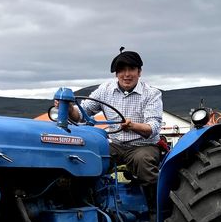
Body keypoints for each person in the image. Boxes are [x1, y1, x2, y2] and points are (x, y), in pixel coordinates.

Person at [68, 48, 163, 186]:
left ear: (139, 72)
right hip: (115, 145)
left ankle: (154, 203)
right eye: (122, 70)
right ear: (116, 73)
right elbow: (83, 113)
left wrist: (133, 126)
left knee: (144, 161)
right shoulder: (105, 90)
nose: (127, 74)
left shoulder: (151, 94)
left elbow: (153, 127)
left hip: (142, 146)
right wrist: (70, 109)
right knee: (88, 157)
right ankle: (90, 198)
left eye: (131, 69)